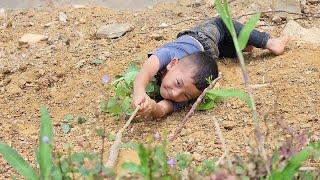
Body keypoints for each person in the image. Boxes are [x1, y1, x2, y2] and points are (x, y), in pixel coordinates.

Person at [133, 17, 290, 118]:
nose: (175, 94)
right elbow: (161, 108)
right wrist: (152, 107)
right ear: (172, 64)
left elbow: (143, 74)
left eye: (182, 90)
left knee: (222, 23)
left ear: (174, 63)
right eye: (179, 85)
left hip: (202, 39)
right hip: (209, 56)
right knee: (221, 44)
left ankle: (269, 42)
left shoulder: (167, 54)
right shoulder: (189, 90)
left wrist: (139, 92)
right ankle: (242, 46)